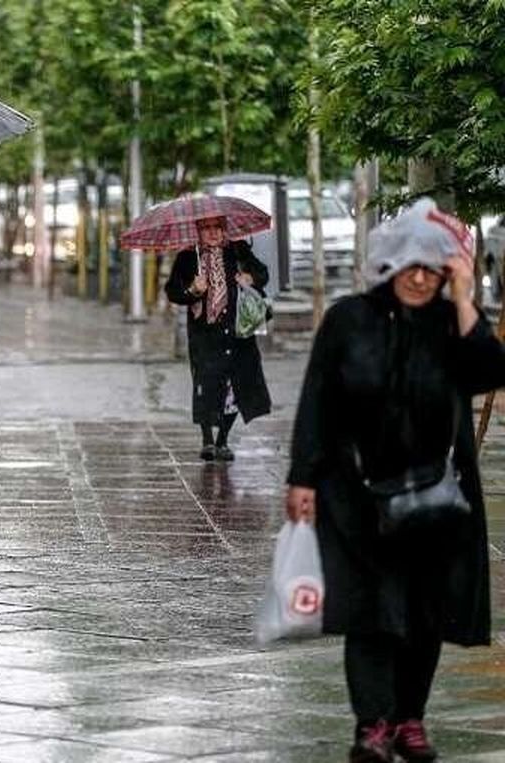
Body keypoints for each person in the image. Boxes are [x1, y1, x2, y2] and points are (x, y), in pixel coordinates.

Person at [285, 198, 505, 763]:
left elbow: (490, 372)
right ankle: (372, 726)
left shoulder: (449, 323)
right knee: (371, 614)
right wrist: (302, 478)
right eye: (409, 266)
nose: (418, 277)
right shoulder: (349, 319)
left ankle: (410, 719)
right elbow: (318, 401)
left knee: (424, 613)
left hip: (437, 497)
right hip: (357, 494)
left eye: (431, 269)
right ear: (387, 266)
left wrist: (463, 296)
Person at [164, 217, 272, 461]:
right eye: (207, 229)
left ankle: (223, 440)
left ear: (225, 229)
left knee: (235, 387)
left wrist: (250, 278)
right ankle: (207, 441)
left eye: (218, 228)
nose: (213, 234)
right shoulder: (188, 257)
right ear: (199, 232)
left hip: (238, 332)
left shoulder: (238, 249)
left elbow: (262, 272)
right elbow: (172, 291)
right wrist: (193, 290)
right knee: (206, 385)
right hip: (205, 334)